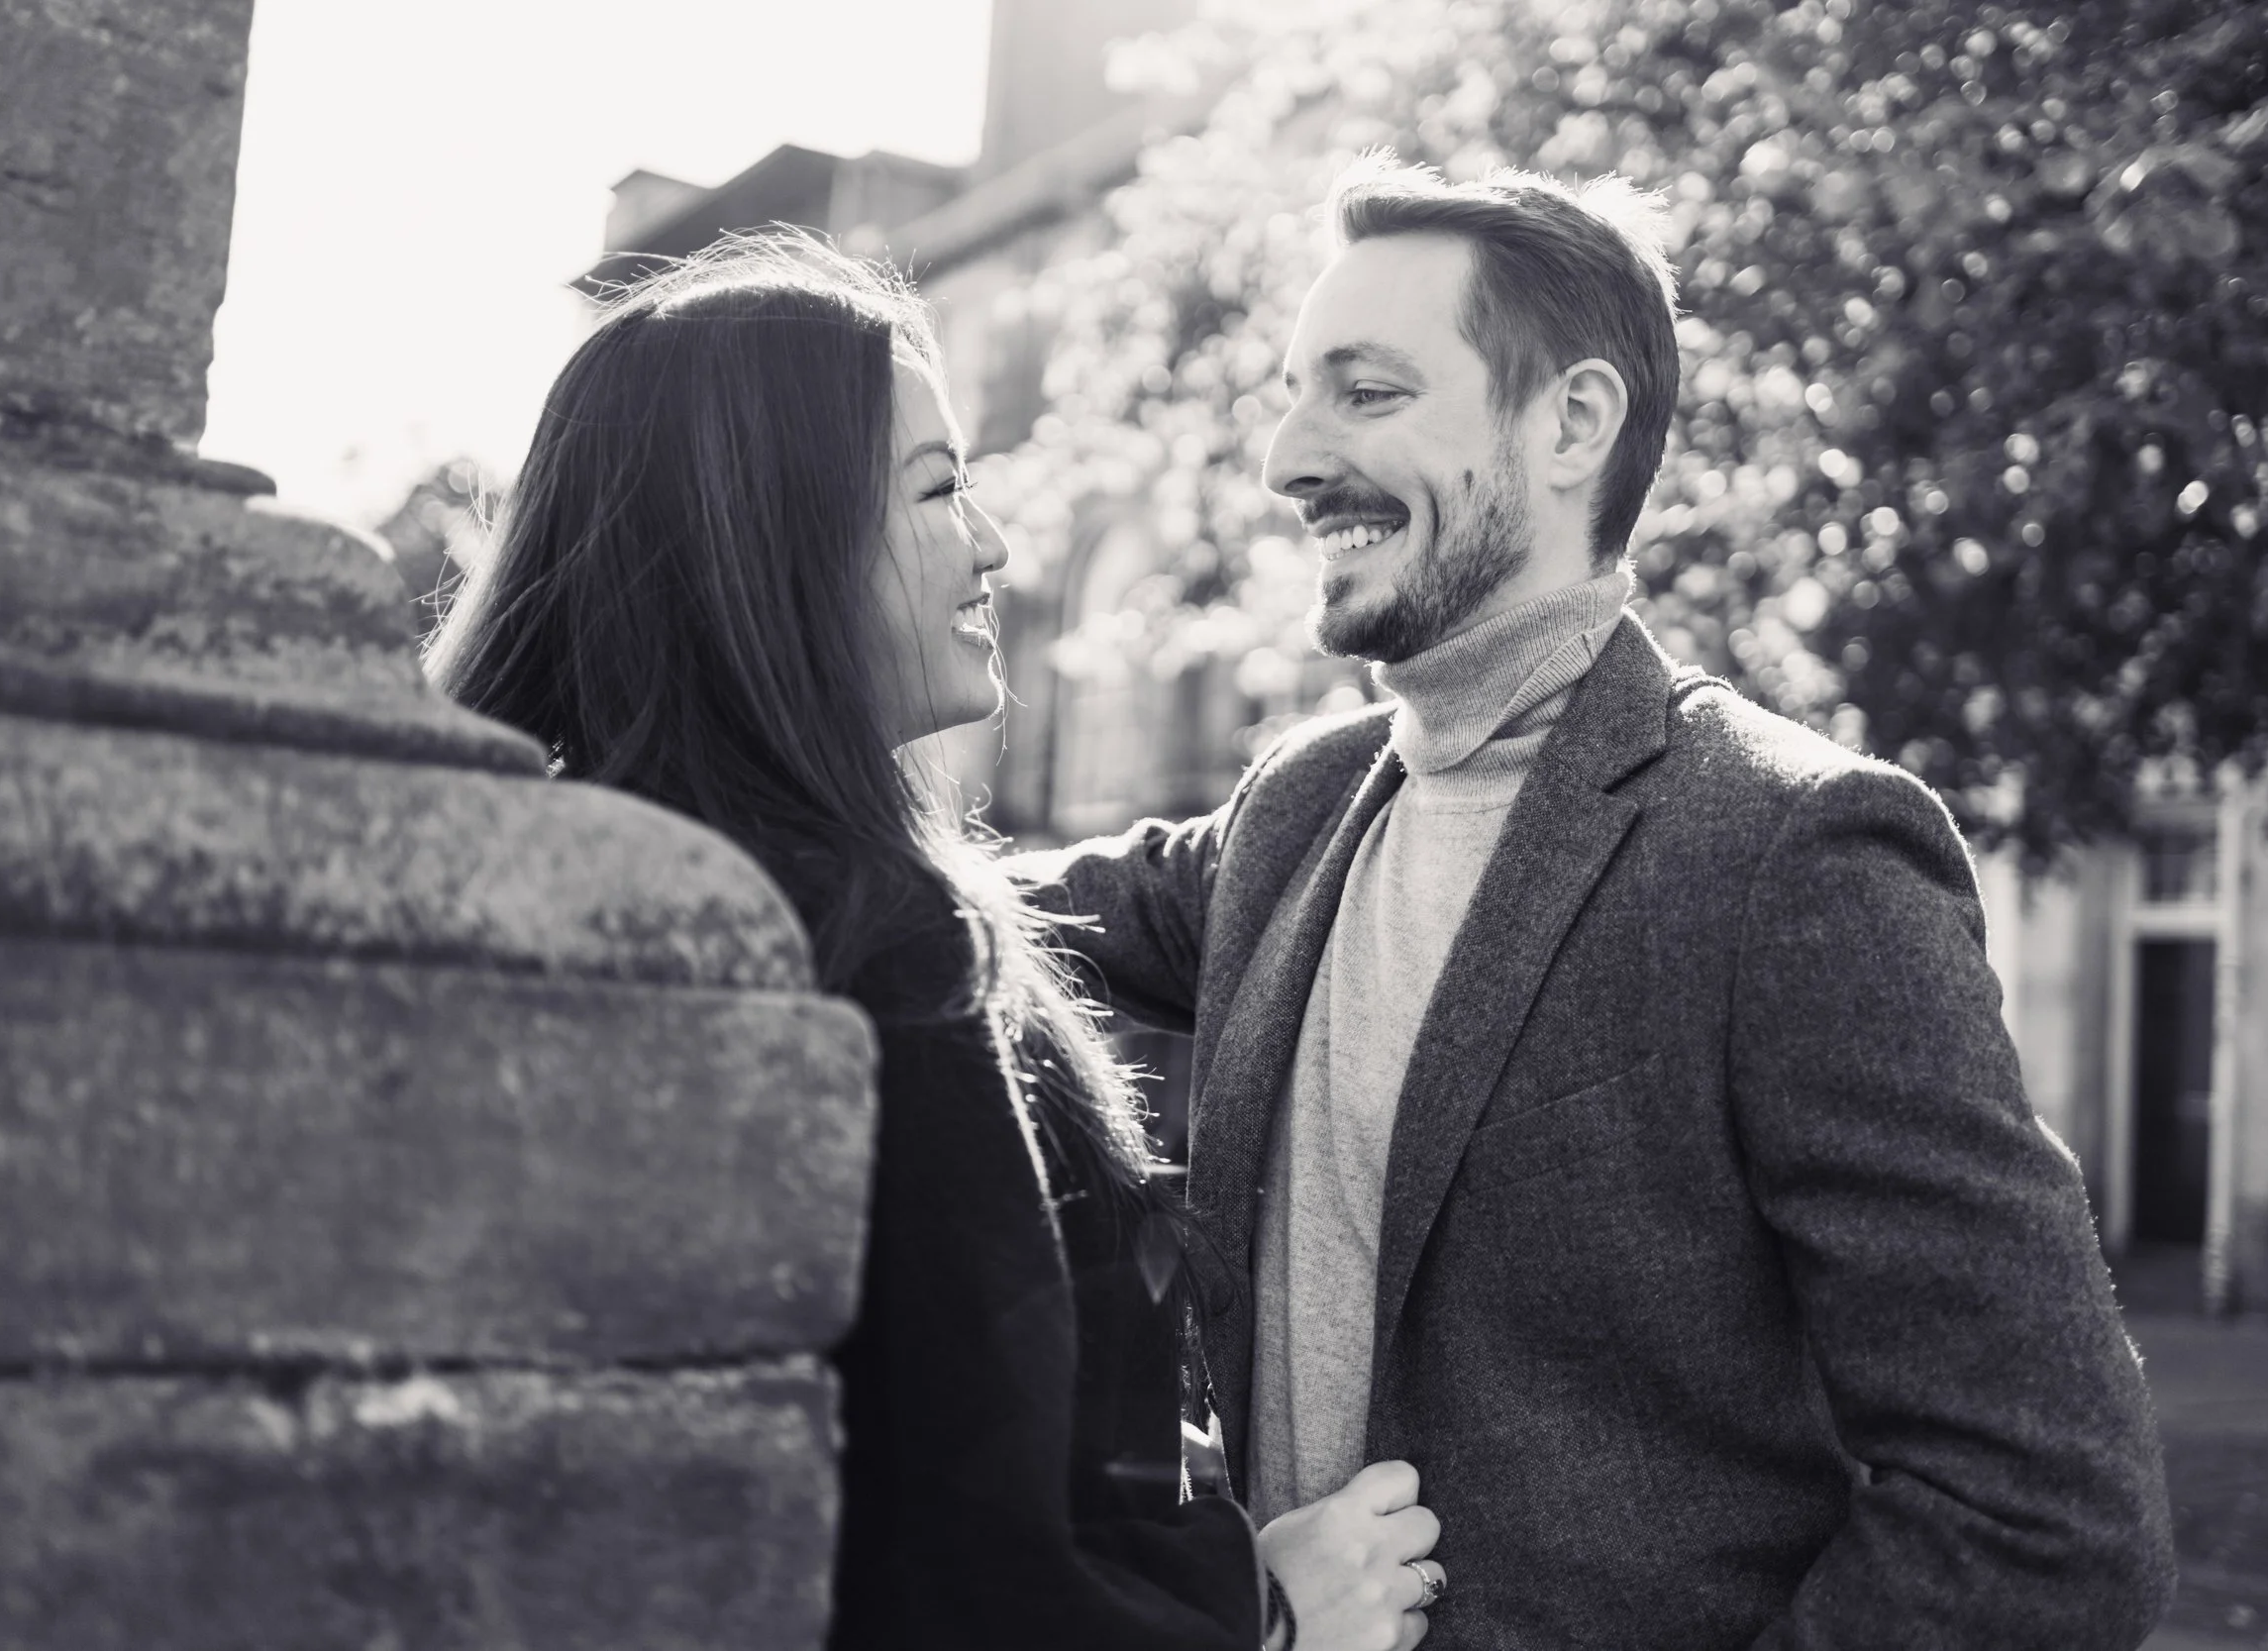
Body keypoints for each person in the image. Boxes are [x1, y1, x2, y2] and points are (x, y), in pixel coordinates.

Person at [1010, 158, 2177, 1648]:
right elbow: (988, 909)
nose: (1287, 460)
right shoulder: (1295, 810)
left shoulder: (1790, 850)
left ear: (1572, 422)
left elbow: (2049, 1511)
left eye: (1363, 393)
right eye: (1293, 394)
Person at [425, 232, 1443, 1650]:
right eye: (939, 487)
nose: (995, 540)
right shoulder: (880, 948)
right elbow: (975, 1566)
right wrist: (1265, 1606)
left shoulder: (554, 885)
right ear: (778, 540)